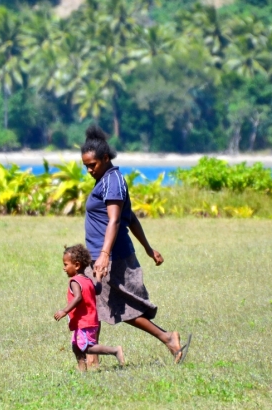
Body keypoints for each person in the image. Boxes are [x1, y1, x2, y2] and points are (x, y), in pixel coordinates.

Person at [80, 125, 191, 365]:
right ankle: (92, 358)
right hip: (101, 256)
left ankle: (168, 338)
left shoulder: (112, 181)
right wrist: (149, 249)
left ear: (105, 158)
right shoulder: (105, 180)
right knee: (94, 303)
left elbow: (117, 219)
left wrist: (104, 255)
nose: (89, 170)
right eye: (86, 166)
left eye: (93, 165)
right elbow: (131, 218)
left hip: (111, 256)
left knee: (121, 308)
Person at [54, 244, 125, 372]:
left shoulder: (74, 281)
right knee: (76, 346)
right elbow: (97, 290)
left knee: (87, 347)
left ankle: (115, 351)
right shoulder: (87, 280)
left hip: (84, 322)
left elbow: (78, 297)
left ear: (76, 265)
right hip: (88, 321)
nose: (64, 268)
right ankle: (82, 370)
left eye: (66, 264)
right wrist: (98, 277)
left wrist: (64, 311)